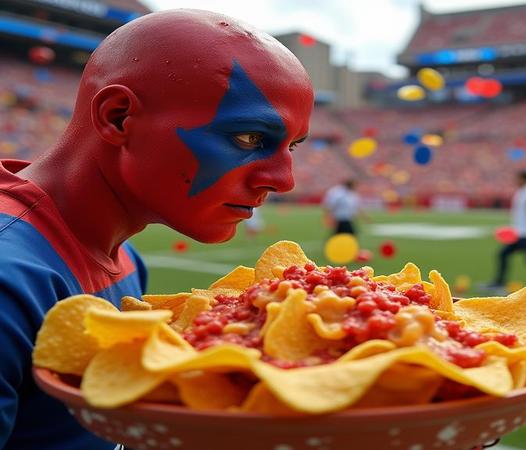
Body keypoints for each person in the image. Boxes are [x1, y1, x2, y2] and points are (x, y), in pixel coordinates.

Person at [0, 9, 313, 449]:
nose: (284, 180)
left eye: (292, 147)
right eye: (249, 138)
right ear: (118, 117)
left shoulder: (127, 258)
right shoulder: (10, 278)